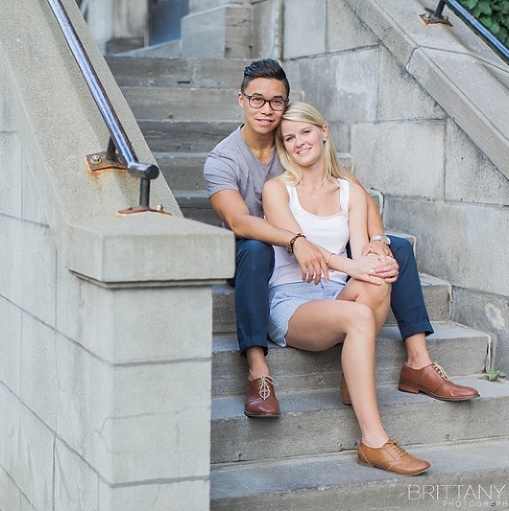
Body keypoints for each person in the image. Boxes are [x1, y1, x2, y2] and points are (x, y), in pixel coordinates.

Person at [203, 58, 477, 419]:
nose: (266, 110)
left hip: (314, 257)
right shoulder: (223, 159)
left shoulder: (298, 142)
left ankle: (418, 361)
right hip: (257, 257)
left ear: (286, 104)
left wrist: (376, 239)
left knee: (399, 248)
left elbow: (353, 190)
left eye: (276, 101)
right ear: (242, 100)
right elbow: (239, 221)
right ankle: (258, 371)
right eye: (257, 99)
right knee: (256, 249)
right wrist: (296, 241)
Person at [262, 101, 429, 475]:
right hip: (294, 300)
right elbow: (304, 247)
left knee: (380, 279)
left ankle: (353, 380)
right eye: (289, 138)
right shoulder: (277, 190)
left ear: (323, 131)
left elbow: (360, 242)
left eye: (304, 132)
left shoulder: (348, 189)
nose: (298, 142)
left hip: (337, 292)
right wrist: (359, 266)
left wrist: (376, 253)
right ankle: (374, 441)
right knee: (358, 308)